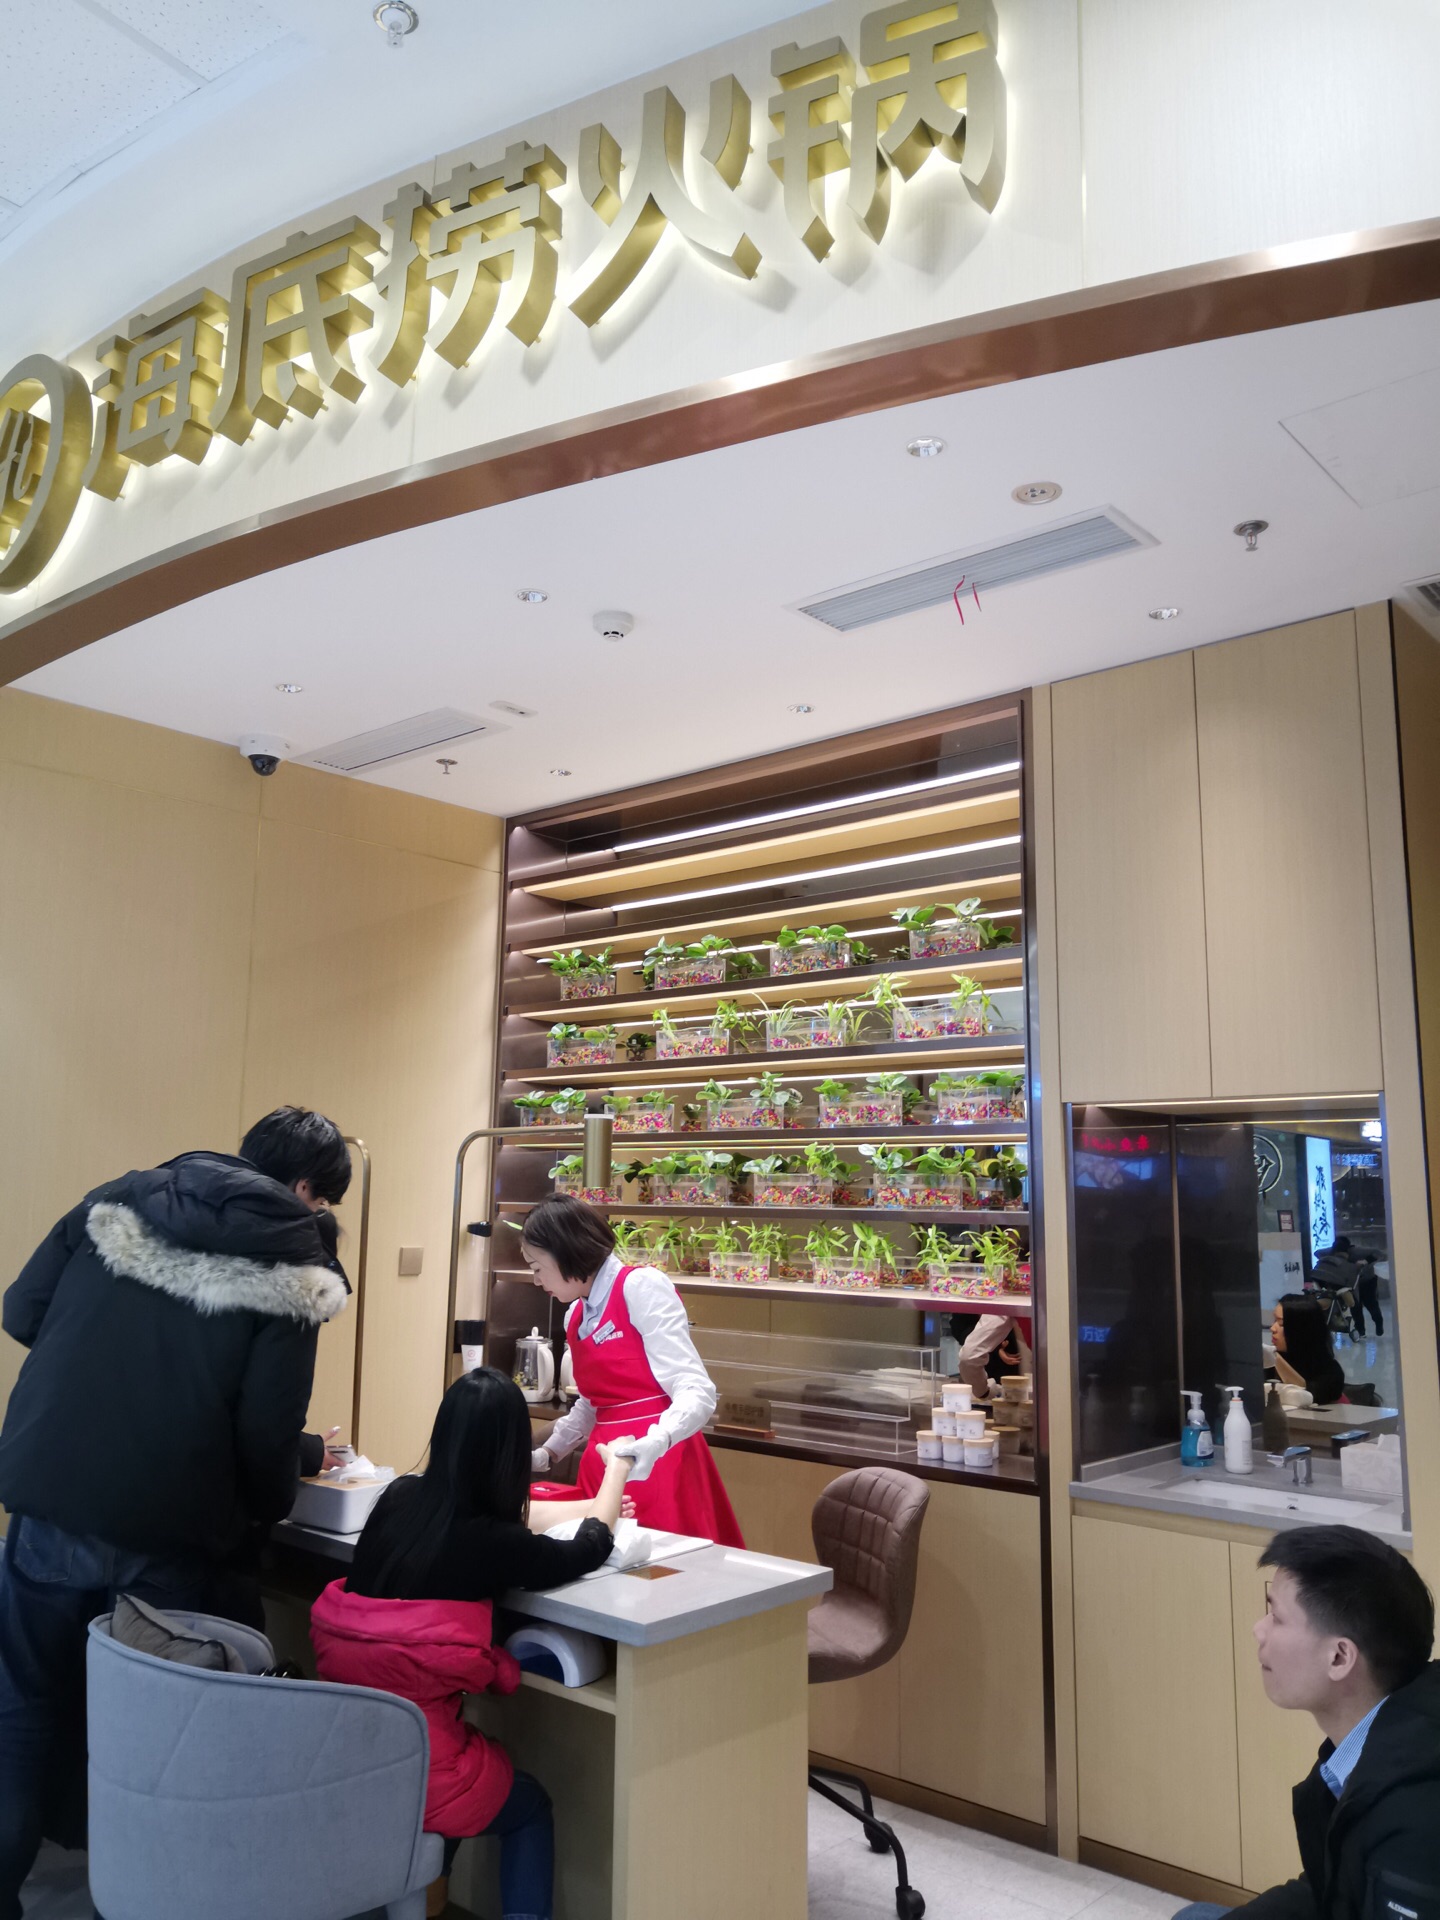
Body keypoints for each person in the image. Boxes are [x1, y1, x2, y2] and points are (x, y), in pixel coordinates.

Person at [0, 1106, 353, 1920]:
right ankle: (135, 1901)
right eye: (324, 1200)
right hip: (166, 1529)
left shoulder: (119, 1198)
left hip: (50, 1495)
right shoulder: (295, 1264)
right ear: (307, 1188)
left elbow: (22, 1313)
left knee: (20, 1708)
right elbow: (263, 1431)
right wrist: (268, 1505)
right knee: (153, 1734)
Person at [311, 1368, 633, 1920]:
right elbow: (588, 1549)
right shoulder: (494, 1542)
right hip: (424, 1768)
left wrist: (588, 1506)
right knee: (527, 1806)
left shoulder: (400, 1498)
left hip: (347, 1752)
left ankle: (426, 1896)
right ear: (509, 1455)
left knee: (454, 1784)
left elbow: (523, 1524)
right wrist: (616, 1473)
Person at [1174, 1524, 1438, 1920]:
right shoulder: (1372, 1746)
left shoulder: (1413, 1822)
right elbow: (1330, 1889)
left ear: (1339, 1657)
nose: (1258, 1630)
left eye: (1276, 1617)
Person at [521, 1196, 745, 1547]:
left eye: (537, 1267)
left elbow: (696, 1389)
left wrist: (658, 1441)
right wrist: (549, 1453)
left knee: (663, 1572)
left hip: (659, 1462)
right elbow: (593, 1404)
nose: (536, 1280)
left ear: (565, 1251)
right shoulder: (574, 1315)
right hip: (603, 1466)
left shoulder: (640, 1287)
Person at [1270, 1295, 1346, 1407]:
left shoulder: (1331, 1373)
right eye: (1274, 1320)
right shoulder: (1268, 1363)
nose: (1272, 1328)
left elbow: (1303, 1395)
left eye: (1281, 1323)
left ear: (1301, 1329)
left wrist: (1276, 1359)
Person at [1352, 1252, 1383, 1339]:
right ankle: (1361, 1330)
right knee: (1357, 1307)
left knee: (1368, 1305)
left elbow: (1379, 1253)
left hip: (1367, 1281)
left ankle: (1377, 1323)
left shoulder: (1359, 1251)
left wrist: (1366, 1261)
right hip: (1355, 1281)